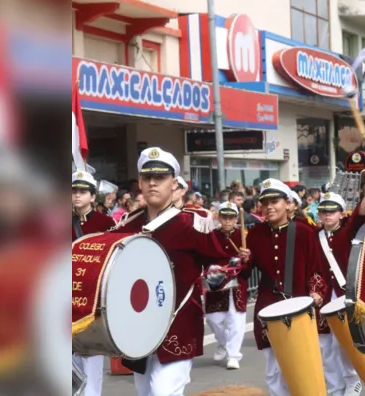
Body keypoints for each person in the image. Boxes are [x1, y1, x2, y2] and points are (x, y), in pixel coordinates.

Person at [112, 147, 249, 396]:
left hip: (178, 323)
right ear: (140, 182)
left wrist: (216, 275)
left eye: (161, 178)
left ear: (174, 184)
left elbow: (223, 261)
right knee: (145, 392)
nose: (153, 183)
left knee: (164, 392)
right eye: (147, 178)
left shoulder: (194, 225)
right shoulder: (127, 225)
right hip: (136, 328)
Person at [243, 179, 327, 395]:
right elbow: (245, 273)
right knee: (273, 369)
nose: (269, 206)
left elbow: (316, 268)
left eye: (275, 201)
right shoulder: (254, 235)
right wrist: (242, 260)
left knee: (302, 367)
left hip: (298, 307)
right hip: (267, 306)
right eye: (265, 202)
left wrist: (316, 292)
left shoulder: (304, 232)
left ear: (288, 203)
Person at [315, 164, 365, 396]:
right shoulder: (313, 237)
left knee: (348, 344)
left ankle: (352, 380)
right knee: (327, 349)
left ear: (341, 213)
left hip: (348, 294)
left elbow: (362, 212)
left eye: (332, 211)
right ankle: (335, 388)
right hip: (324, 298)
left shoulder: (347, 230)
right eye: (323, 211)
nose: (327, 215)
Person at [71, 170, 116, 396]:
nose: (77, 195)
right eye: (74, 191)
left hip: (93, 299)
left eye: (82, 191)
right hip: (66, 296)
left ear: (92, 196)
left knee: (91, 356)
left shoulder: (105, 222)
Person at [204, 202, 249, 370]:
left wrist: (246, 259)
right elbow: (204, 257)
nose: (228, 221)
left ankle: (233, 355)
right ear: (219, 217)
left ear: (237, 218)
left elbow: (251, 262)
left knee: (236, 319)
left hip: (237, 282)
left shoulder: (244, 235)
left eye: (231, 217)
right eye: (224, 217)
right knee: (212, 319)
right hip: (216, 280)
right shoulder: (212, 236)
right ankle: (222, 343)